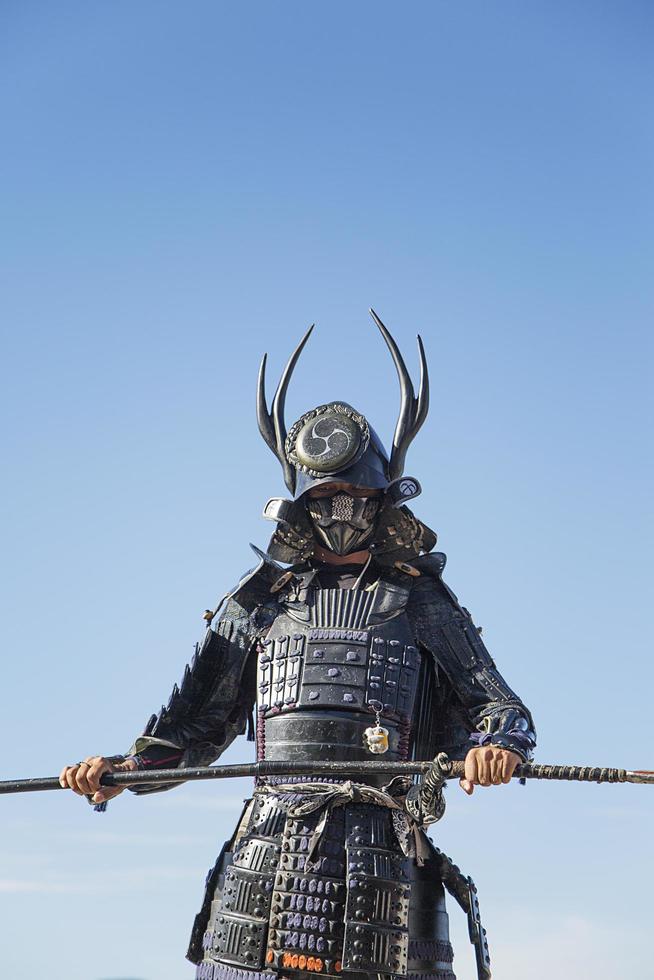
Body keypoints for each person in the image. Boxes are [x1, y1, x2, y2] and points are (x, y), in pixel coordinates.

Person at [60, 311, 536, 980]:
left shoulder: (422, 602)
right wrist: (123, 770)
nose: (339, 509)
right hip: (261, 875)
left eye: (352, 494)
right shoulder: (257, 603)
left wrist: (496, 750)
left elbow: (502, 711)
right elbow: (195, 727)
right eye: (323, 496)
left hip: (386, 878)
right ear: (298, 504)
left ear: (382, 497)